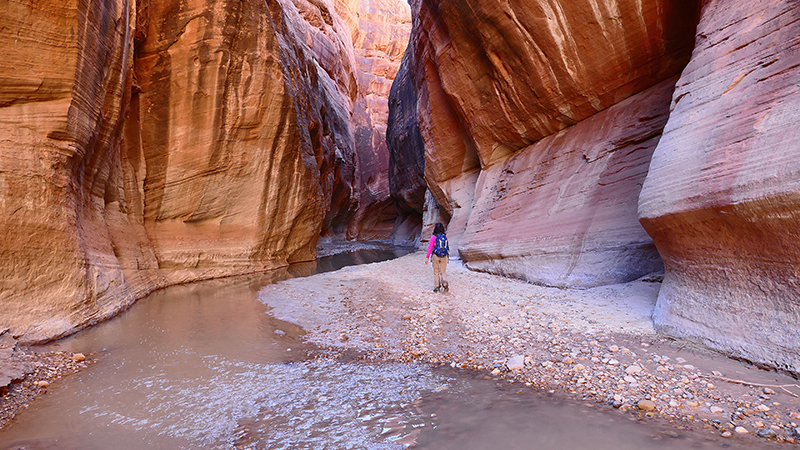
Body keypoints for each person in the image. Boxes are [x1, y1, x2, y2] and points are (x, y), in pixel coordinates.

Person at [425, 223, 449, 293]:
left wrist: (427, 258)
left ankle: (437, 288)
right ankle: (445, 282)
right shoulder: (445, 237)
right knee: (443, 271)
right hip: (444, 255)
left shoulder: (433, 237)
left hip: (435, 255)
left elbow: (430, 248)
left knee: (436, 272)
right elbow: (447, 246)